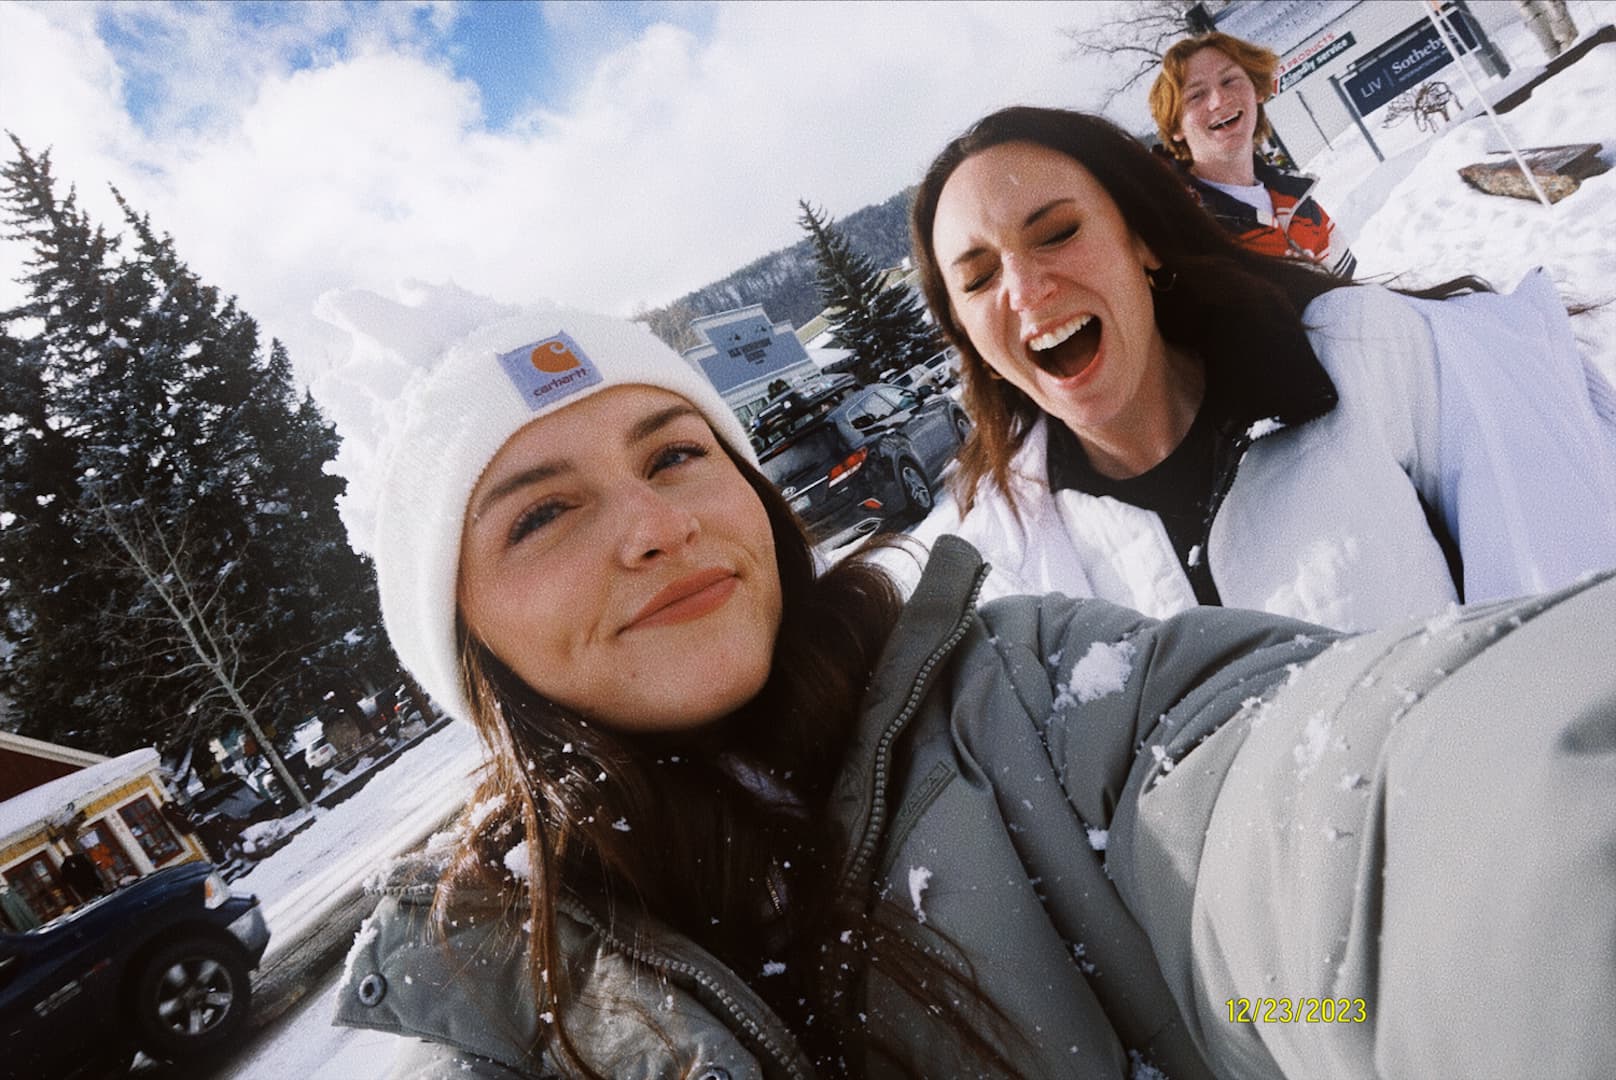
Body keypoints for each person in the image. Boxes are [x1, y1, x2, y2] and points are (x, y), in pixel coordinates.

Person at [318, 286, 1616, 1079]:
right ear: (464, 641)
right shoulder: (492, 999)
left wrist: (1544, 849)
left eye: (675, 455)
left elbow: (1326, 822)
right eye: (540, 518)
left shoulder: (1036, 692)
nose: (652, 526)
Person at [909, 105, 1616, 630]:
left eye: (1058, 233)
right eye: (977, 279)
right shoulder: (1005, 579)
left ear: (1142, 243)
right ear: (968, 337)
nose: (1026, 290)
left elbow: (1565, 606)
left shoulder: (1357, 358)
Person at [1149, 32, 1356, 276]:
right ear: (1175, 127)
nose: (1218, 100)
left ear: (1257, 90)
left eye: (1229, 81)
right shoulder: (1184, 229)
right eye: (1196, 95)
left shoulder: (1298, 201)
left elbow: (1353, 300)